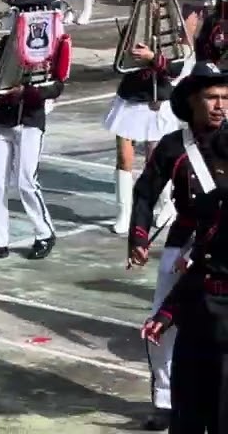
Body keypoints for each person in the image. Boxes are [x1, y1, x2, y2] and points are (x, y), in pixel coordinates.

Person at [130, 61, 228, 431]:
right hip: (182, 242)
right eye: (211, 98)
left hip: (223, 246)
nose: (220, 106)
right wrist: (139, 238)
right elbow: (145, 191)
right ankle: (164, 400)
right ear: (191, 101)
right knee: (163, 322)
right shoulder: (174, 146)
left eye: (225, 98)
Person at [0, 0, 63, 263]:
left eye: (27, 9)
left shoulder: (52, 43)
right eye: (20, 9)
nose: (21, 14)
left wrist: (29, 92)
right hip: (4, 119)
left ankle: (44, 232)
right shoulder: (5, 43)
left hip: (31, 120)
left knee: (26, 180)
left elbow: (57, 85)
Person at [105, 0, 184, 236]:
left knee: (155, 158)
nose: (147, 2)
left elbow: (175, 68)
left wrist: (153, 58)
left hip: (157, 101)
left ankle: (165, 205)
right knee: (124, 156)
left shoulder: (170, 29)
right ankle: (124, 212)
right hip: (131, 99)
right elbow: (118, 65)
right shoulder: (132, 28)